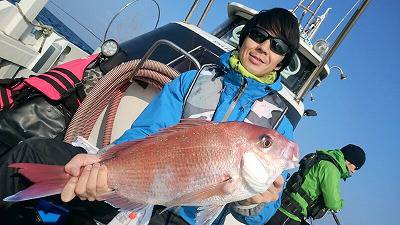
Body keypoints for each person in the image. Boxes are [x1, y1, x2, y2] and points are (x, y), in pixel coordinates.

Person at [0, 8, 300, 225]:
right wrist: (102, 165)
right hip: (141, 188)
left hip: (184, 219)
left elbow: (258, 214)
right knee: (33, 150)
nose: (264, 48)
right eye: (259, 35)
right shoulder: (193, 81)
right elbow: (146, 133)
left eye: (278, 46)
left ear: (283, 59)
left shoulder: (277, 125)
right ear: (245, 36)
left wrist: (254, 203)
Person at [265, 144, 366, 225]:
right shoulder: (332, 170)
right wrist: (340, 205)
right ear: (350, 161)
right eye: (356, 168)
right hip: (290, 215)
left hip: (281, 205)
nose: (354, 171)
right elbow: (332, 203)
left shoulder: (323, 160)